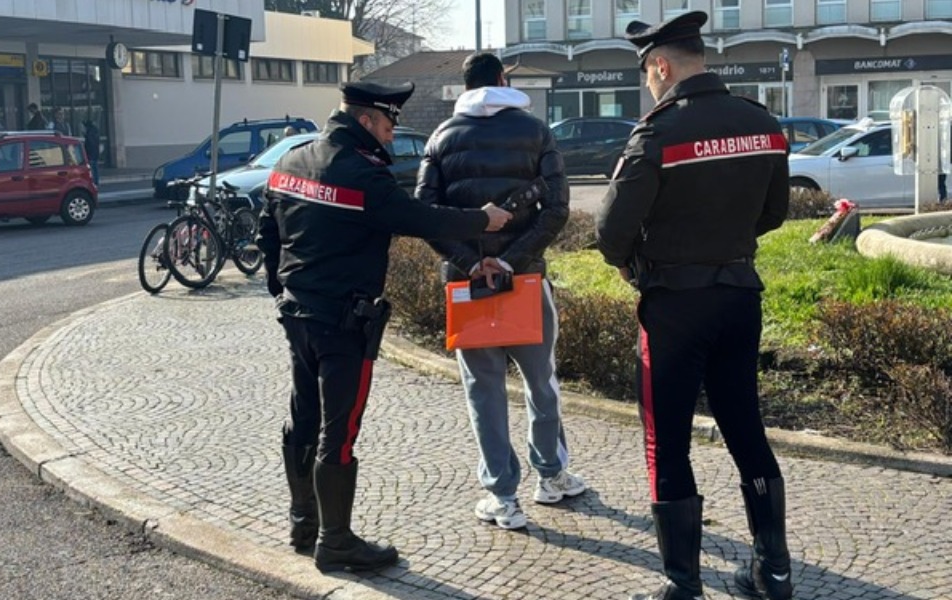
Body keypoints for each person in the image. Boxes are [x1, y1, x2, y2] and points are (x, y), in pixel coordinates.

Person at [256, 81, 513, 574]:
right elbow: (418, 217)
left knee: (303, 416)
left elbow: (268, 232)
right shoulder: (360, 173)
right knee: (341, 429)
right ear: (368, 120)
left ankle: (303, 522)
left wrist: (281, 289)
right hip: (343, 322)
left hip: (298, 316)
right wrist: (482, 219)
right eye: (390, 126)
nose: (393, 137)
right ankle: (336, 542)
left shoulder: (291, 161)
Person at [594, 11, 792, 600]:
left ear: (660, 66)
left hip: (675, 306)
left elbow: (609, 234)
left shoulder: (657, 134)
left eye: (649, 76)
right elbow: (774, 213)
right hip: (739, 297)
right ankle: (773, 572)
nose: (650, 86)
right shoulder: (762, 122)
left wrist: (645, 259)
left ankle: (683, 586)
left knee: (667, 439)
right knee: (747, 430)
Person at [415, 52, 584, 531]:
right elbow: (556, 209)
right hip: (526, 280)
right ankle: (550, 477)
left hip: (467, 288)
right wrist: (512, 260)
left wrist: (472, 263)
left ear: (465, 87)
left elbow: (424, 214)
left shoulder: (442, 137)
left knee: (483, 392)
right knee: (541, 382)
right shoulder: (535, 130)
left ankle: (502, 497)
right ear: (504, 80)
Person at [83, 120, 101, 186]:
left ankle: (93, 182)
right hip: (96, 152)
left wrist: (87, 151)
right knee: (95, 167)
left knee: (92, 168)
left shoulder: (89, 133)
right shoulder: (95, 131)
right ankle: (96, 181)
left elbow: (89, 143)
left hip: (91, 153)